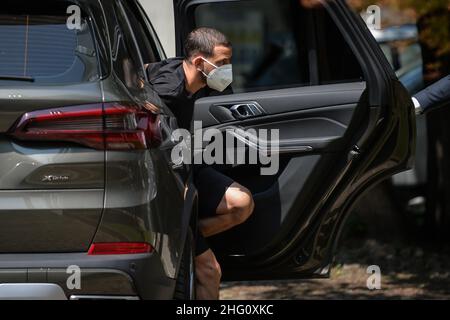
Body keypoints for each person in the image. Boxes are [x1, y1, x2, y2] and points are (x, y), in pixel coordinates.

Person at [147, 27, 255, 300]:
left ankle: (180, 239)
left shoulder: (196, 78)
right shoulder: (167, 93)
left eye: (228, 62)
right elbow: (158, 151)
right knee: (209, 272)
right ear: (198, 62)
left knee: (241, 204)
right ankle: (178, 238)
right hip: (172, 179)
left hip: (190, 166)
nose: (227, 69)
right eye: (221, 63)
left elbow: (145, 67)